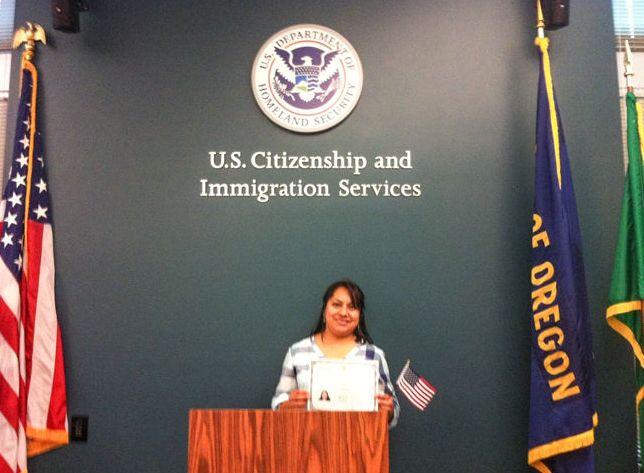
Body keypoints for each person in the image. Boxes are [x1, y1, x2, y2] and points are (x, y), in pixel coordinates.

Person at [271, 280, 400, 428]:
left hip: (361, 439)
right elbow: (278, 403)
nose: (344, 313)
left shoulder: (373, 355)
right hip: (307, 439)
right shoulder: (297, 352)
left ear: (359, 315)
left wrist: (388, 410)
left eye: (352, 307)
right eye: (337, 305)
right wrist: (287, 406)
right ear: (324, 310)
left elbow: (393, 408)